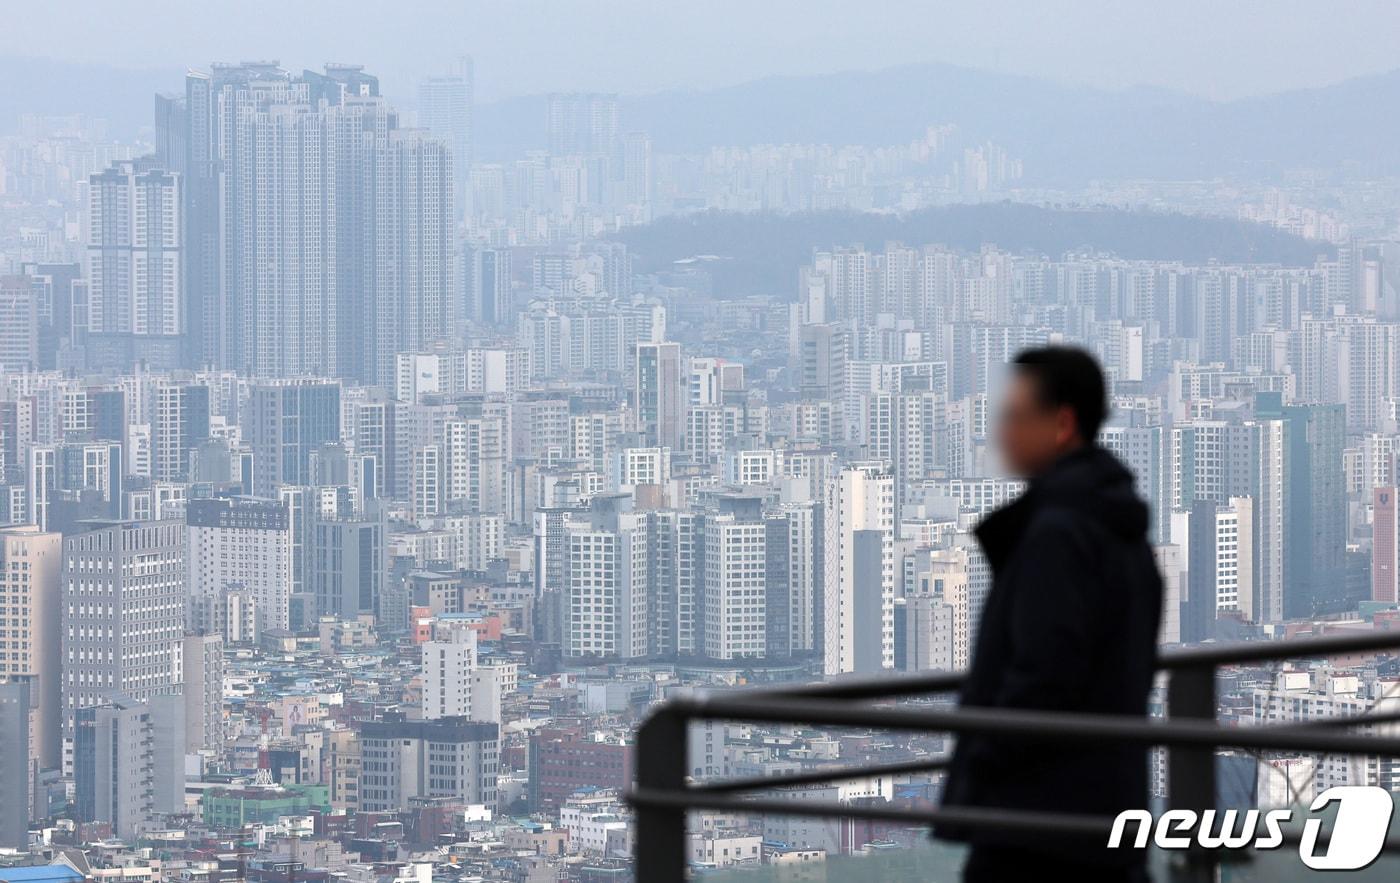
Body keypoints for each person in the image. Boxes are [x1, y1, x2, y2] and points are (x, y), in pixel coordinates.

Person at [937, 346, 1163, 882]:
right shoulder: (1117, 522)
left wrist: (985, 759)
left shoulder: (1058, 534)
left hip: (1036, 821)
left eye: (1016, 416)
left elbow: (1045, 672)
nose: (1001, 432)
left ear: (1062, 423)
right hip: (1105, 806)